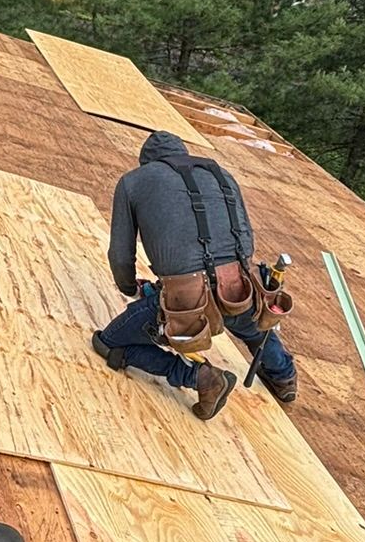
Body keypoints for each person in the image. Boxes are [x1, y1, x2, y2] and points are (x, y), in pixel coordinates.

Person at [92, 129, 297, 421]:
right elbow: (241, 236)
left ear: (147, 163)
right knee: (252, 325)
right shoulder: (221, 173)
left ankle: (200, 377)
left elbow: (121, 257)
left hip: (188, 305)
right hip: (242, 289)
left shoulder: (133, 182)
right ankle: (284, 376)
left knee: (109, 342)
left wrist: (129, 287)